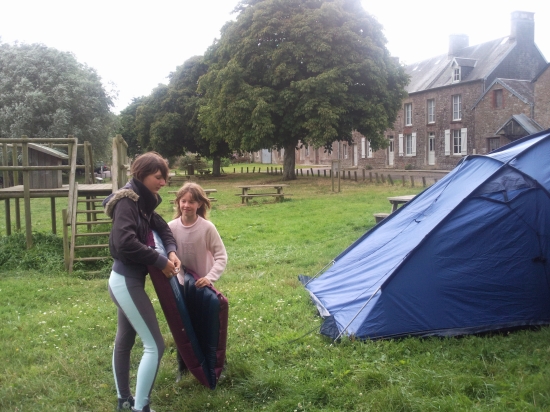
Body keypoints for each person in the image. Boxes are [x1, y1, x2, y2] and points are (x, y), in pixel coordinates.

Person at [104, 152, 181, 412]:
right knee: (155, 346)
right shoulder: (128, 201)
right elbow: (125, 242)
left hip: (127, 280)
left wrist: (170, 251)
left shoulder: (144, 202)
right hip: (126, 281)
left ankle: (124, 401)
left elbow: (163, 228)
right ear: (142, 174)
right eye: (158, 177)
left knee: (125, 340)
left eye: (165, 178)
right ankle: (140, 407)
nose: (162, 183)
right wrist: (160, 262)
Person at [168, 182, 227, 379]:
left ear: (200, 204)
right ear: (177, 203)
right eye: (183, 201)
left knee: (209, 324)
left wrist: (209, 278)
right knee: (183, 326)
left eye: (191, 202)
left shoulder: (207, 228)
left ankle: (217, 364)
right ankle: (183, 367)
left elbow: (221, 256)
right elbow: (167, 254)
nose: (186, 205)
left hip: (203, 286)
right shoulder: (171, 227)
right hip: (181, 285)